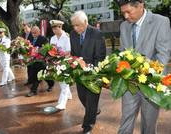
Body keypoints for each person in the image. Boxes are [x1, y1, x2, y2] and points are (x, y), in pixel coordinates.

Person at [117, 0, 171, 134]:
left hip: (151, 85)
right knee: (126, 119)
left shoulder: (161, 22)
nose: (126, 16)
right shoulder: (124, 26)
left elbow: (163, 54)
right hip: (129, 83)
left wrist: (150, 77)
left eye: (128, 12)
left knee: (148, 124)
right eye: (123, 12)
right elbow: (123, 53)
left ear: (141, 5)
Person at [70, 11, 106, 134]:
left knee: (91, 100)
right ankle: (94, 110)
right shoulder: (73, 34)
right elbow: (74, 53)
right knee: (82, 96)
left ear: (85, 22)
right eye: (73, 25)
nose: (75, 28)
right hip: (80, 73)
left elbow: (100, 56)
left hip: (94, 73)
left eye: (77, 25)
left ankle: (88, 126)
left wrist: (91, 70)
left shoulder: (97, 33)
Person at [49, 20, 72, 110]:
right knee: (60, 80)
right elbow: (51, 49)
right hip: (56, 61)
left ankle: (62, 103)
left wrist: (60, 54)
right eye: (53, 28)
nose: (54, 30)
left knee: (64, 82)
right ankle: (68, 94)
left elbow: (69, 51)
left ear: (60, 27)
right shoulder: (53, 38)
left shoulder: (66, 38)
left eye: (56, 28)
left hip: (65, 61)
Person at [25, 26, 54, 97]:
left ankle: (34, 90)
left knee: (40, 76)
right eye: (32, 33)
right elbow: (28, 47)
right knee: (37, 75)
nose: (33, 34)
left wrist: (39, 50)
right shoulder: (30, 38)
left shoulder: (44, 39)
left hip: (41, 61)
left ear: (39, 32)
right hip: (33, 61)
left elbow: (47, 49)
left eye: (35, 33)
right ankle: (35, 90)